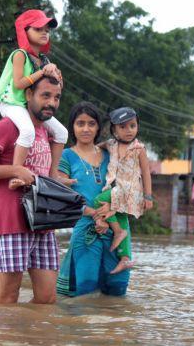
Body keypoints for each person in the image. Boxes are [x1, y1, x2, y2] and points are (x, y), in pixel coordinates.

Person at [0, 75, 63, 304]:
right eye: (45, 95)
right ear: (29, 95)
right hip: (12, 223)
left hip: (43, 224)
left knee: (47, 298)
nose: (52, 103)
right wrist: (15, 171)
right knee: (9, 296)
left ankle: (30, 337)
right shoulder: (9, 127)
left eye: (57, 97)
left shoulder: (46, 132)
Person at [57, 102, 132, 297]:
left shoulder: (111, 155)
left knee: (118, 286)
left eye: (91, 123)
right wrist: (95, 214)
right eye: (80, 123)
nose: (86, 129)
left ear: (98, 127)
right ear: (72, 127)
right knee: (86, 289)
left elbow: (130, 187)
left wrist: (111, 209)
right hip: (86, 228)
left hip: (117, 228)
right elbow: (61, 194)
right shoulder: (66, 156)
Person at [0, 9, 68, 182]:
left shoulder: (44, 60)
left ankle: (53, 175)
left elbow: (58, 88)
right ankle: (16, 174)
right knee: (27, 131)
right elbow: (18, 84)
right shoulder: (20, 55)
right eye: (38, 29)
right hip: (12, 104)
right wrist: (42, 72)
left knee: (62, 133)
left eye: (47, 31)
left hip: (30, 107)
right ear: (25, 31)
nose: (44, 33)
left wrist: (57, 74)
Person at [91, 107, 153, 274]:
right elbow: (95, 147)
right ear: (114, 130)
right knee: (121, 217)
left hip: (130, 191)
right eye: (123, 127)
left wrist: (148, 196)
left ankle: (116, 230)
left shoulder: (139, 148)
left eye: (132, 126)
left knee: (98, 201)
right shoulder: (111, 144)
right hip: (116, 189)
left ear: (137, 126)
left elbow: (146, 172)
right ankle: (125, 258)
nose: (129, 130)